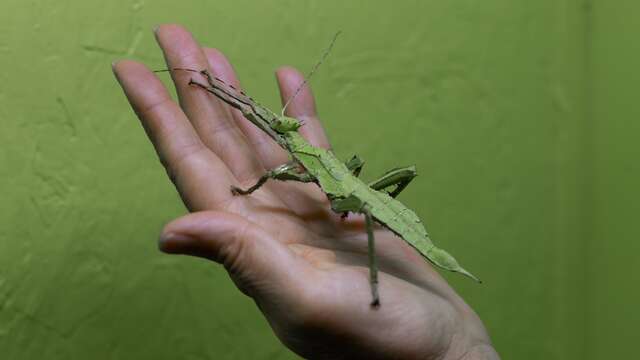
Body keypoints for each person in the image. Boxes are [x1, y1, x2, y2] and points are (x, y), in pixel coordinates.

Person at [112, 24, 500, 360]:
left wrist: (249, 188)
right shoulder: (303, 153)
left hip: (366, 203)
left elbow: (270, 147)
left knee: (369, 200)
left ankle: (376, 275)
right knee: (359, 189)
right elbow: (256, 115)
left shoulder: (304, 163)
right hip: (358, 195)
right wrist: (457, 350)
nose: (277, 127)